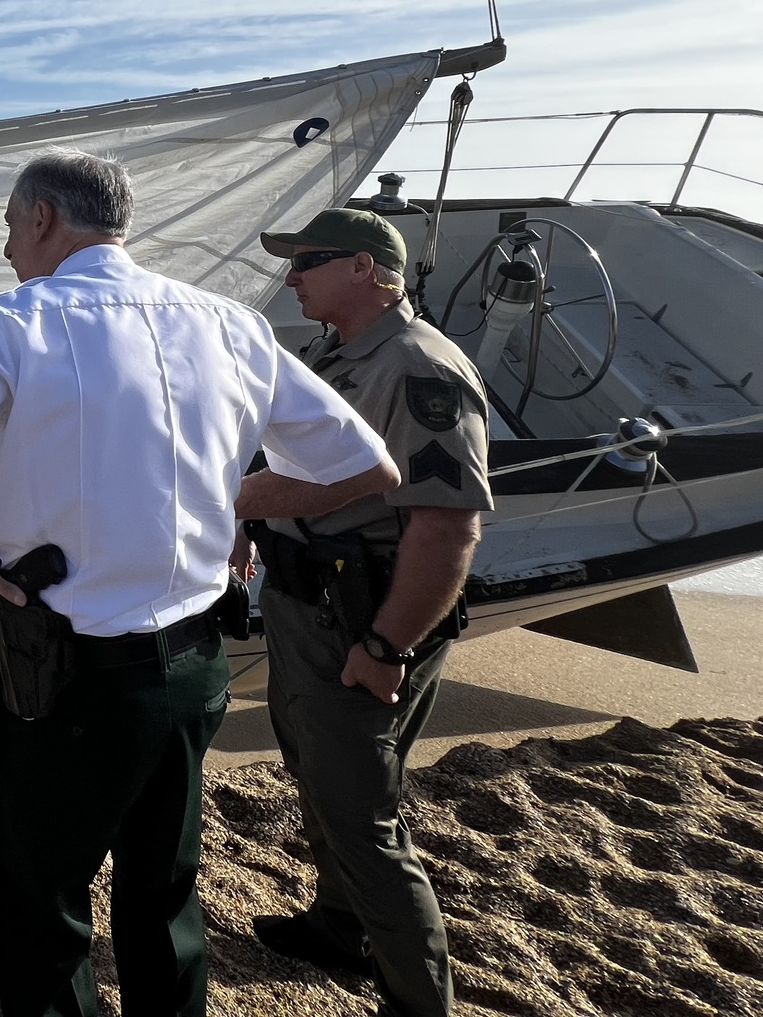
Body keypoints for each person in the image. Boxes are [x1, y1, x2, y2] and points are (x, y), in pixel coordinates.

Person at [0, 152, 401, 1017]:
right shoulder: (228, 323)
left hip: (62, 675)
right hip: (197, 663)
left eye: (9, 227)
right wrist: (223, 498)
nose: (7, 249)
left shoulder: (13, 322)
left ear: (42, 219)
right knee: (164, 891)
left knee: (40, 898)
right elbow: (364, 465)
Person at [241, 208, 491, 1017]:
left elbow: (447, 524)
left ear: (363, 268)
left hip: (356, 619)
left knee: (363, 819)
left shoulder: (419, 368)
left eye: (306, 262)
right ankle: (339, 928)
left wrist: (386, 645)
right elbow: (304, 461)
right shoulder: (337, 353)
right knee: (320, 782)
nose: (291, 277)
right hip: (305, 604)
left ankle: (419, 1001)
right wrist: (254, 524)